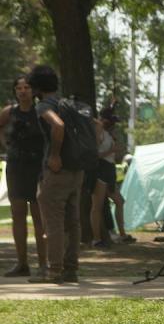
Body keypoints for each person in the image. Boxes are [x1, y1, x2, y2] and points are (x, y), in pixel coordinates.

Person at [27, 65, 82, 284]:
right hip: (76, 169)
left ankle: (54, 270)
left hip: (57, 171)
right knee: (73, 221)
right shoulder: (68, 104)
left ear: (37, 87)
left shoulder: (44, 106)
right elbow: (96, 128)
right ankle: (71, 269)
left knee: (54, 220)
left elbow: (57, 126)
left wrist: (55, 155)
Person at [0, 75, 47, 277]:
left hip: (37, 167)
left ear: (33, 90)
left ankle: (44, 264)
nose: (22, 91)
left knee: (39, 217)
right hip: (16, 167)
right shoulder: (9, 112)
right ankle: (22, 264)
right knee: (17, 214)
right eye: (19, 87)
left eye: (27, 87)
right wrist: (6, 146)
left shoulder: (41, 111)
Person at [90, 110, 133, 247]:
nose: (113, 124)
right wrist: (111, 151)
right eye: (111, 122)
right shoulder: (99, 132)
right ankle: (96, 239)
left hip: (110, 169)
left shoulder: (109, 133)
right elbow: (95, 155)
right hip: (100, 169)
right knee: (97, 205)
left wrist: (116, 150)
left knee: (119, 201)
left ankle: (122, 234)